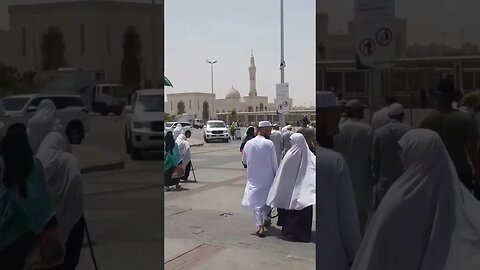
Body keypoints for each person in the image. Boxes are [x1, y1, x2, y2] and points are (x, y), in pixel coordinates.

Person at [352, 129, 480, 270]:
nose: (401, 155)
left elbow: (376, 255)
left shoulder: (399, 199)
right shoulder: (459, 197)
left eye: (404, 150)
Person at [0, 125, 64, 269]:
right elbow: (43, 197)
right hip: (31, 231)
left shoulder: (3, 165)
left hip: (6, 233)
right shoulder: (35, 165)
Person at [316, 91, 361, 269]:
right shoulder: (333, 162)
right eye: (334, 122)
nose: (336, 130)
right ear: (319, 120)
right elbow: (349, 225)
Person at [419, 79, 480, 198]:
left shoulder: (426, 121)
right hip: (460, 171)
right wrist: (477, 171)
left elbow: (420, 150)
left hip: (434, 172)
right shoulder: (465, 120)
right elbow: (472, 150)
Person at [35, 131, 85, 270]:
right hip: (73, 220)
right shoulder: (69, 160)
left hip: (48, 225)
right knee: (69, 260)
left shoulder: (39, 161)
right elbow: (77, 186)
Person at [334, 99, 374, 234]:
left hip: (341, 177)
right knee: (360, 219)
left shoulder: (339, 128)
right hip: (361, 178)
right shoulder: (367, 130)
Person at [266, 133, 315, 242]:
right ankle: (303, 235)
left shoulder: (290, 155)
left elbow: (282, 174)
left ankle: (290, 232)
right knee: (303, 213)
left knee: (292, 212)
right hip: (304, 191)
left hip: (290, 192)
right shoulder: (309, 154)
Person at [241, 121, 278, 238]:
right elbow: (274, 163)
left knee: (257, 204)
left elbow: (244, 161)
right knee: (267, 201)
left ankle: (261, 226)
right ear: (265, 129)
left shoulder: (248, 143)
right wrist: (277, 176)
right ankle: (266, 219)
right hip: (267, 178)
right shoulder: (269, 144)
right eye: (270, 129)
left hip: (254, 178)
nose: (271, 132)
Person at [371, 103, 411, 209]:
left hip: (384, 183)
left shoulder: (379, 133)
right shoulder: (410, 131)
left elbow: (375, 160)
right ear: (402, 115)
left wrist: (375, 180)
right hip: (405, 182)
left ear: (389, 116)